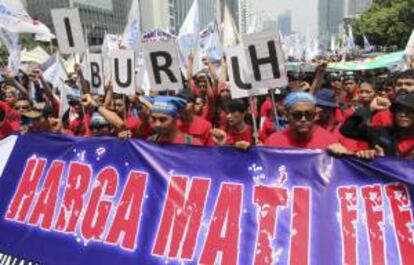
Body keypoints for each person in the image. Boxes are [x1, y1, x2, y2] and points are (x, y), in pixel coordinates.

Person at [340, 93, 414, 159]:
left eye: (410, 111)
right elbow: (346, 130)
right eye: (399, 110)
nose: (403, 114)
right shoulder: (381, 132)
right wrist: (369, 108)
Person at [264, 92, 342, 150]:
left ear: (316, 115)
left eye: (309, 114)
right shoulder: (273, 143)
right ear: (286, 115)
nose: (303, 119)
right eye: (297, 114)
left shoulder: (330, 143)